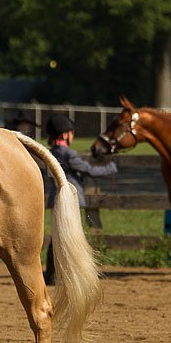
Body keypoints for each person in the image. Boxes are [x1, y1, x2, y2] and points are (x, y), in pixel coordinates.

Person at [43, 114, 117, 285]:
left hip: (55, 199)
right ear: (64, 135)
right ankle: (71, 274)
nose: (72, 136)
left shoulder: (50, 153)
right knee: (71, 236)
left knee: (56, 237)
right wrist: (111, 168)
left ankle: (51, 274)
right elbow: (89, 170)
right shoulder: (69, 153)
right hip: (70, 200)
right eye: (71, 132)